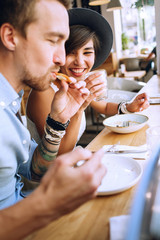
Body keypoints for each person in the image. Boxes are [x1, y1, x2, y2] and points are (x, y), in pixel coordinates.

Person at [0, 1, 107, 239]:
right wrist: (48, 204)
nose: (61, 58)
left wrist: (57, 122)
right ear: (10, 37)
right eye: (53, 40)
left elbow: (33, 170)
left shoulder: (11, 101)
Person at [27, 8, 150, 155]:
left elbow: (103, 107)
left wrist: (129, 107)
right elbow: (58, 155)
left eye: (87, 52)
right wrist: (79, 111)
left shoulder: (77, 82)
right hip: (48, 174)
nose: (80, 61)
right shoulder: (44, 92)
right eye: (70, 52)